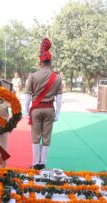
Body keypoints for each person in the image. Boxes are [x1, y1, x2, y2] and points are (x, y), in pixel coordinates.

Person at [25, 38, 62, 170]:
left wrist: (25, 111)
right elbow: (59, 98)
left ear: (40, 62)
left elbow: (28, 95)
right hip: (49, 109)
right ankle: (43, 163)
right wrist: (57, 113)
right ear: (50, 62)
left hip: (36, 110)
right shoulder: (57, 77)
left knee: (36, 137)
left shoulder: (33, 76)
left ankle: (35, 163)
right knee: (46, 137)